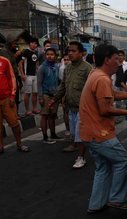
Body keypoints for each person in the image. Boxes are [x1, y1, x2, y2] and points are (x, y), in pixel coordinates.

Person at [80, 44, 127, 213]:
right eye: (116, 59)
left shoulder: (96, 74)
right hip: (99, 134)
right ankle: (116, 199)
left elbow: (111, 94)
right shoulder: (102, 79)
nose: (119, 62)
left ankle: (96, 204)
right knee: (123, 160)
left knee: (103, 166)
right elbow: (105, 109)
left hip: (88, 132)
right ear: (107, 60)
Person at [49, 41, 92, 169]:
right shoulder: (68, 68)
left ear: (81, 53)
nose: (70, 53)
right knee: (74, 134)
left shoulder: (87, 68)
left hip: (83, 108)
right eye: (69, 51)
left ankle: (81, 157)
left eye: (74, 51)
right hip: (70, 107)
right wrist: (54, 99)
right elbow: (63, 86)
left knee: (79, 135)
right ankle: (87, 150)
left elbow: (92, 88)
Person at [37, 48, 61, 144]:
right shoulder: (42, 68)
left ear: (55, 56)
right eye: (48, 54)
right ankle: (45, 136)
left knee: (52, 115)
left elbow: (58, 81)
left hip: (54, 95)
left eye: (52, 54)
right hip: (45, 94)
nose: (50, 56)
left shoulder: (56, 66)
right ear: (45, 56)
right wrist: (40, 96)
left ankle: (53, 134)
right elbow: (39, 83)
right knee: (45, 115)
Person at [0, 35, 23, 117]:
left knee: (16, 96)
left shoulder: (11, 50)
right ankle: (10, 114)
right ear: (10, 43)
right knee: (10, 96)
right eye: (14, 43)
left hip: (14, 75)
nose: (15, 45)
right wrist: (15, 55)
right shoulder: (4, 51)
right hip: (7, 77)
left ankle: (15, 113)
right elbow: (7, 62)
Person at [19, 37, 40, 115]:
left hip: (35, 75)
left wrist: (39, 72)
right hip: (27, 75)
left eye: (35, 43)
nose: (34, 45)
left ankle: (34, 108)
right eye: (32, 43)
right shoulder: (25, 52)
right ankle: (27, 110)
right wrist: (22, 74)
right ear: (29, 43)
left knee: (35, 93)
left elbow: (37, 64)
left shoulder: (36, 52)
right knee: (27, 93)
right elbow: (20, 63)